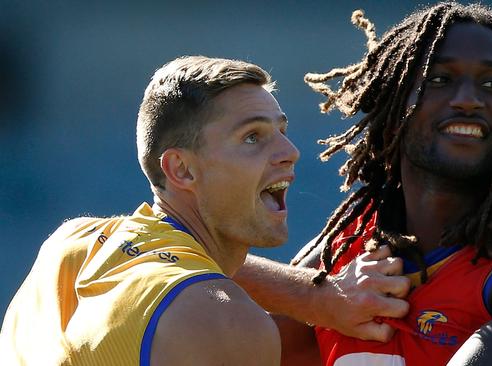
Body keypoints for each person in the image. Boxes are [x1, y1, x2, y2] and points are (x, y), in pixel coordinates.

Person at [234, 3, 492, 365]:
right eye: (439, 80)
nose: (468, 100)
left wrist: (305, 294)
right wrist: (313, 296)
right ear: (392, 104)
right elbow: (222, 344)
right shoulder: (348, 249)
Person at [0, 56, 299, 365]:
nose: (290, 152)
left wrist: (313, 295)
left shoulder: (71, 241)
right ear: (181, 169)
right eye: (252, 137)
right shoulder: (223, 318)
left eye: (282, 132)